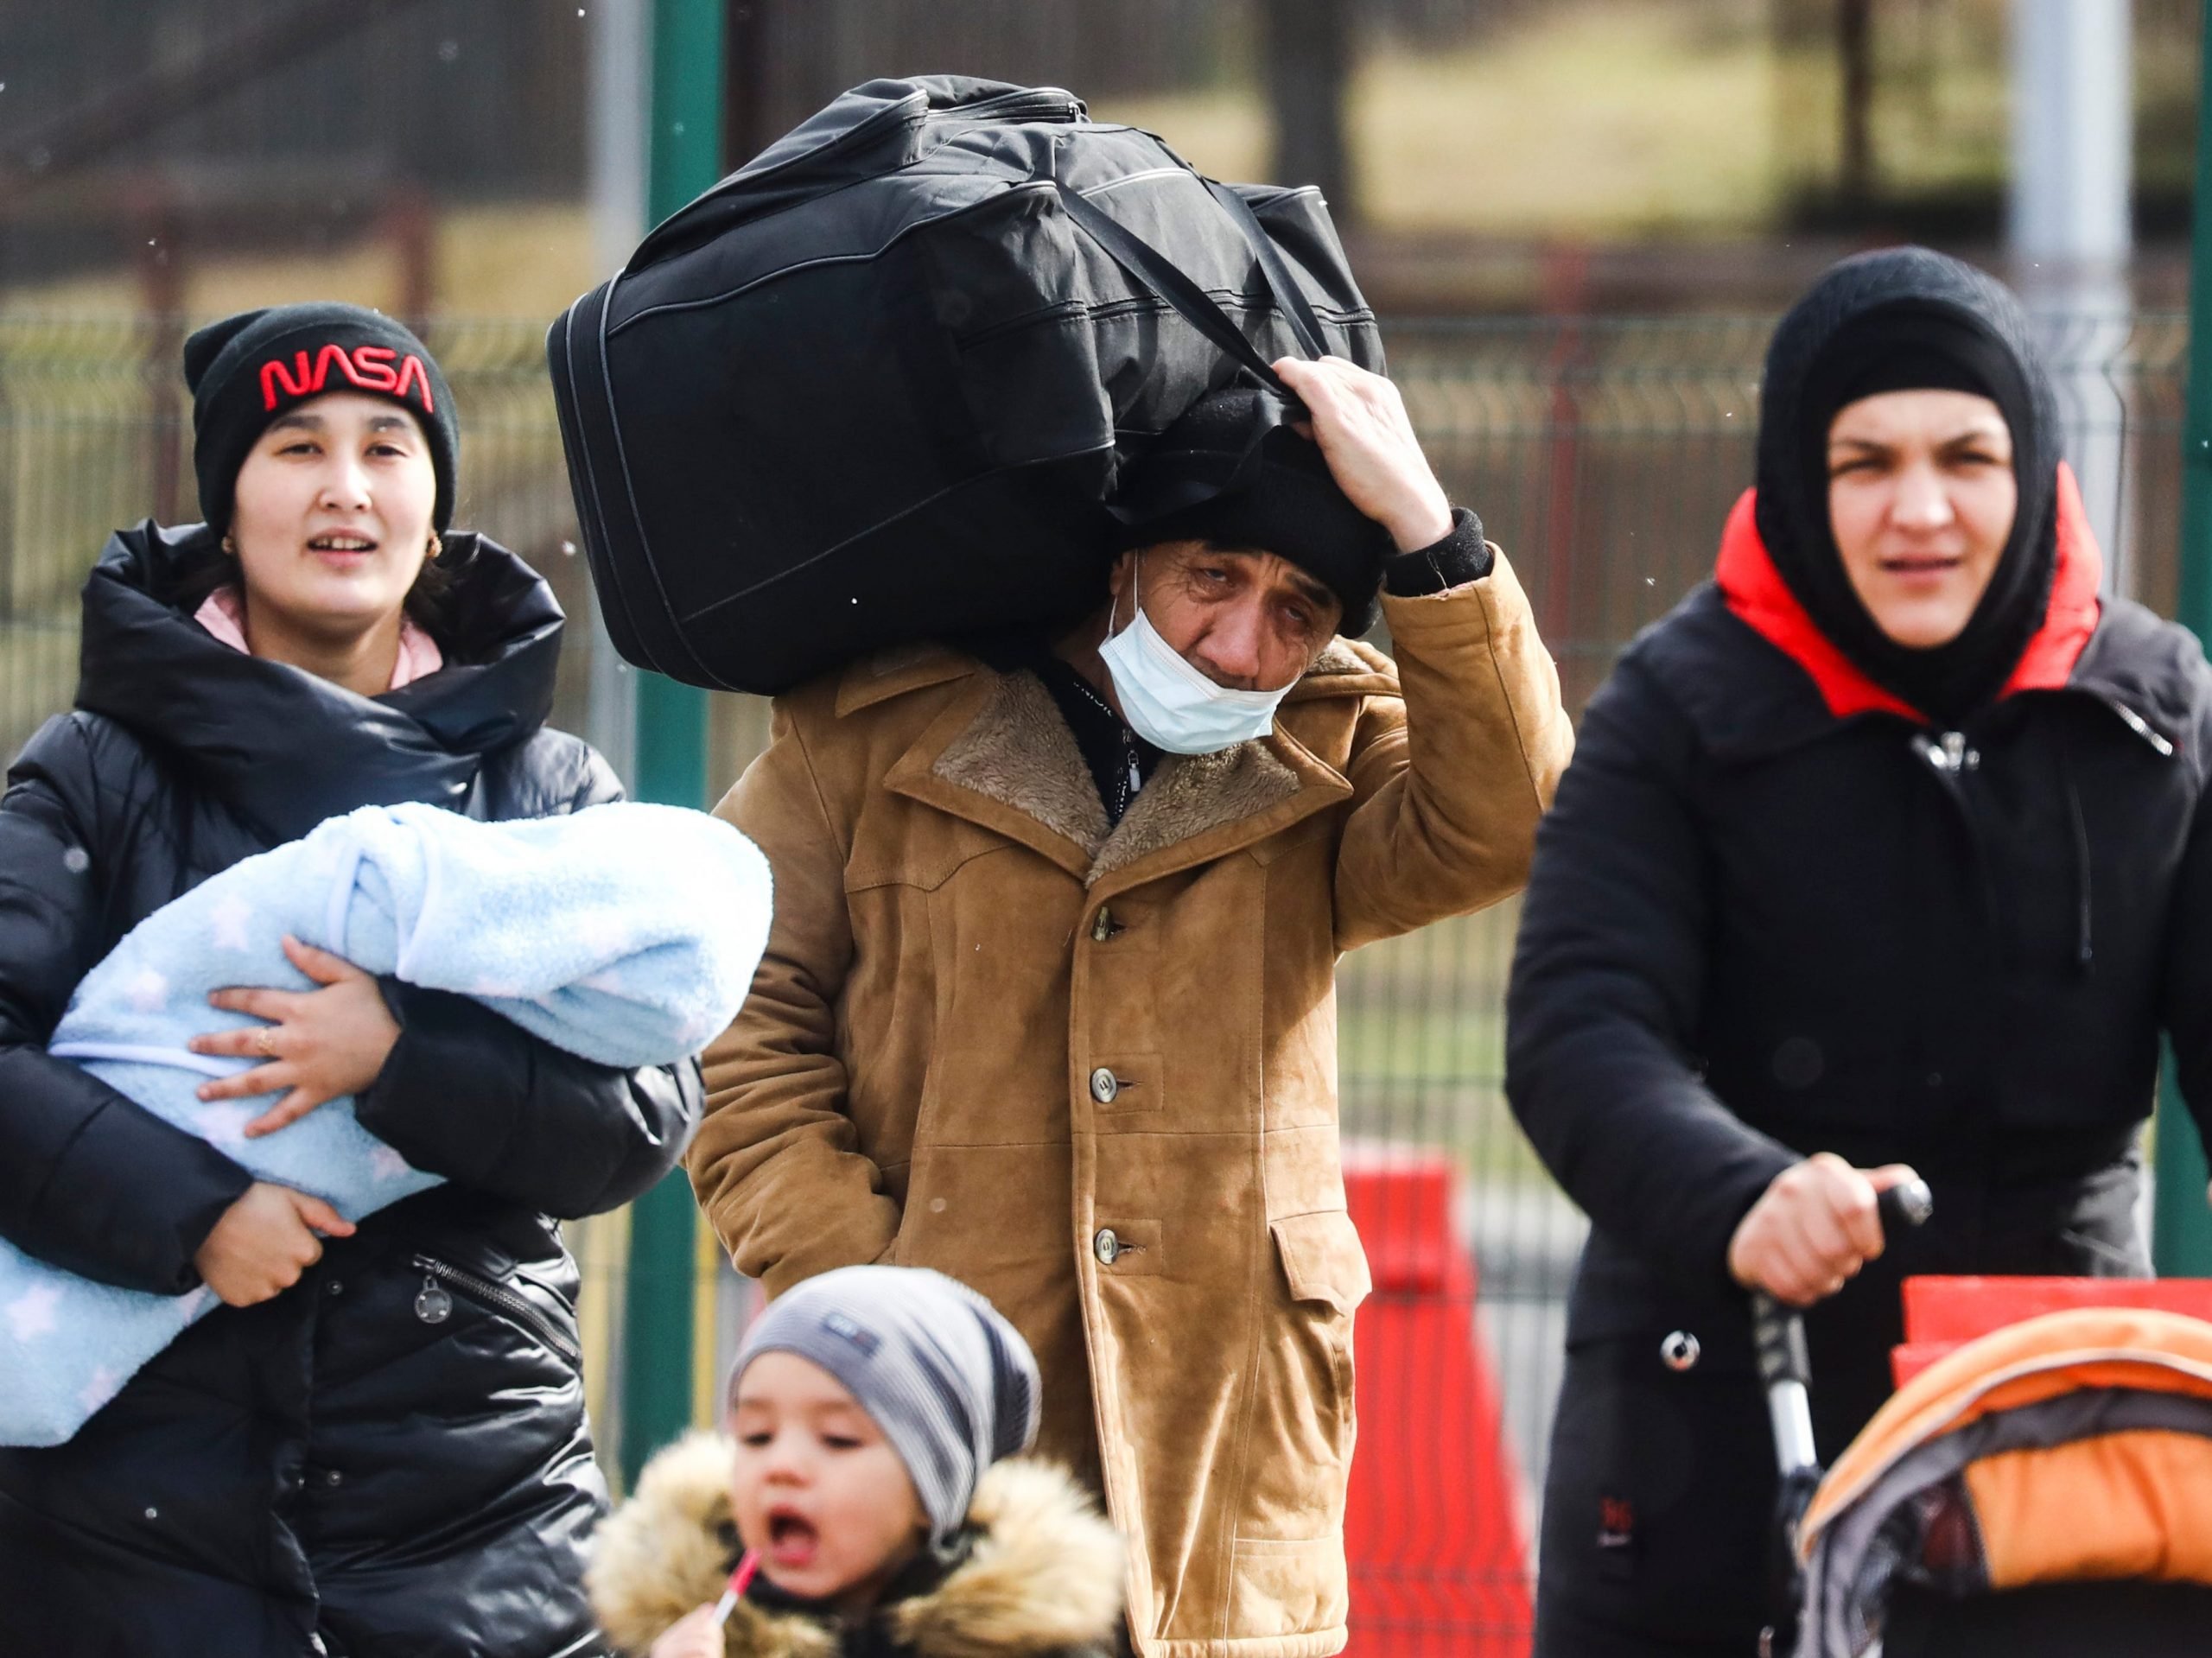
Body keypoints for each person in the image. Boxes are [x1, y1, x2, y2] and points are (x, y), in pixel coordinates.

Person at [688, 357, 1574, 1658]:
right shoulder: (873, 728)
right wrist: (864, 1280)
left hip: (1227, 1437)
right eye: (1211, 575)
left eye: (1297, 607)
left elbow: (1511, 820)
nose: (1239, 640)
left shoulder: (1332, 744)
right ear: (1125, 561)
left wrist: (1433, 540)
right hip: (930, 1418)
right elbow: (728, 1004)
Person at [1504, 245, 2212, 1656]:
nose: (1922, 508)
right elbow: (1579, 1023)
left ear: (2037, 469)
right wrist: (1743, 1189)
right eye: (1865, 460)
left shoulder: (2151, 707)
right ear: (1793, 477)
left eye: (1968, 453)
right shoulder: (1675, 708)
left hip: (2044, 1417)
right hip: (1715, 1413)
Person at [0, 302, 702, 1657]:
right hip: (129, 1532)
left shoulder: (545, 791)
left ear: (434, 505)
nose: (346, 487)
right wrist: (194, 1214)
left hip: (482, 1518)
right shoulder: (94, 769)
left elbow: (647, 1111)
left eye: (389, 446)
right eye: (294, 445)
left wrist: (399, 1060)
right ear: (225, 503)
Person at [587, 1265, 1125, 1658]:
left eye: (838, 1440)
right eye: (756, 1436)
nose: (783, 1466)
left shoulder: (1029, 1647)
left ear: (931, 1493)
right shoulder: (683, 1635)